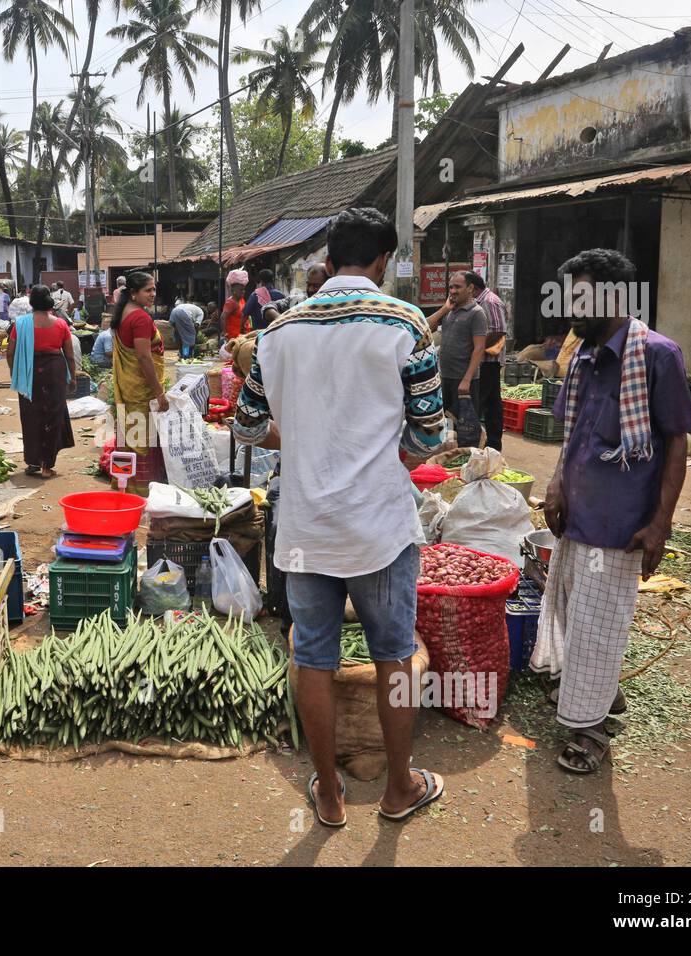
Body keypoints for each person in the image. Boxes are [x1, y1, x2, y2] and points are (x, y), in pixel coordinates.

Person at [232, 207, 447, 827]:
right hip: (378, 524)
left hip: (303, 525)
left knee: (313, 656)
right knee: (394, 655)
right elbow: (431, 433)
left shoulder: (276, 332)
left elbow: (246, 426)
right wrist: (388, 460)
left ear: (327, 263)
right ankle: (399, 786)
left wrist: (300, 441)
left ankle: (329, 793)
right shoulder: (405, 323)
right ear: (383, 263)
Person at [536, 248, 691, 773]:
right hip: (577, 515)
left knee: (596, 627)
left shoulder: (658, 355)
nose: (572, 311)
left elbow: (678, 443)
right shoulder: (582, 355)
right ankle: (603, 696)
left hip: (621, 524)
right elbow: (571, 435)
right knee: (569, 610)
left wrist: (660, 524)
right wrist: (557, 485)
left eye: (582, 298)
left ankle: (590, 733)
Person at [6, 284, 77, 478]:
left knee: (31, 417)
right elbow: (69, 355)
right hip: (54, 372)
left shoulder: (20, 324)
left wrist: (15, 373)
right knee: (53, 416)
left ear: (31, 302)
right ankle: (47, 465)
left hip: (30, 374)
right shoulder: (61, 324)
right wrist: (73, 377)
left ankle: (33, 462)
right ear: (49, 300)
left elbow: (10, 353)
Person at [110, 271, 167, 494]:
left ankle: (123, 486)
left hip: (127, 386)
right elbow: (143, 357)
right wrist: (159, 392)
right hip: (141, 389)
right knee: (143, 440)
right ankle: (142, 491)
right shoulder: (140, 318)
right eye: (147, 290)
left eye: (154, 289)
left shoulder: (123, 312)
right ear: (133, 293)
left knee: (127, 437)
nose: (152, 294)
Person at [427, 270, 488, 418]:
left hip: (463, 381)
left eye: (458, 287)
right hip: (445, 377)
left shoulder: (477, 313)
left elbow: (479, 348)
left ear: (470, 288)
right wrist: (445, 308)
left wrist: (466, 380)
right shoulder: (449, 311)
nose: (453, 291)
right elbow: (425, 326)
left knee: (465, 428)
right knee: (446, 426)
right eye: (451, 287)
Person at [466, 271, 507, 450]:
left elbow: (498, 331)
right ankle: (492, 445)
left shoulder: (490, 301)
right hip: (483, 360)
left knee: (481, 401)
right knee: (491, 403)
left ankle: (481, 444)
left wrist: (476, 347)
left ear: (471, 288)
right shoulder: (479, 302)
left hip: (489, 361)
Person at [221, 270, 249, 341]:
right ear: (233, 290)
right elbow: (223, 318)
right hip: (233, 337)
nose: (243, 292)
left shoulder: (242, 300)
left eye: (244, 289)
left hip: (241, 335)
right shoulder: (231, 302)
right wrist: (225, 334)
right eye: (241, 290)